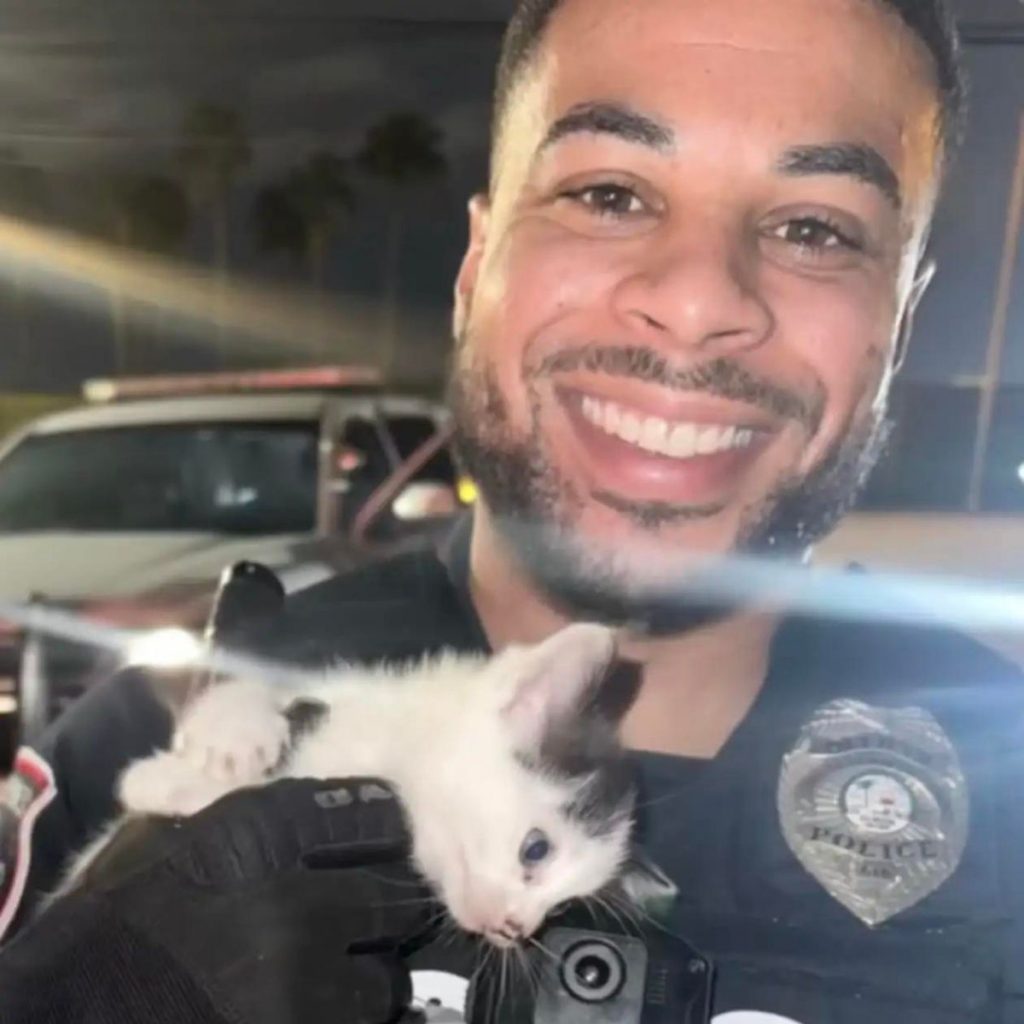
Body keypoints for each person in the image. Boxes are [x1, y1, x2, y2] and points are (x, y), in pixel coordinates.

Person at [3, 0, 1023, 1020]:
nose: (700, 298)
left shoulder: (1006, 794)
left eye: (813, 228)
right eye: (611, 194)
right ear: (473, 269)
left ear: (898, 328)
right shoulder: (160, 737)